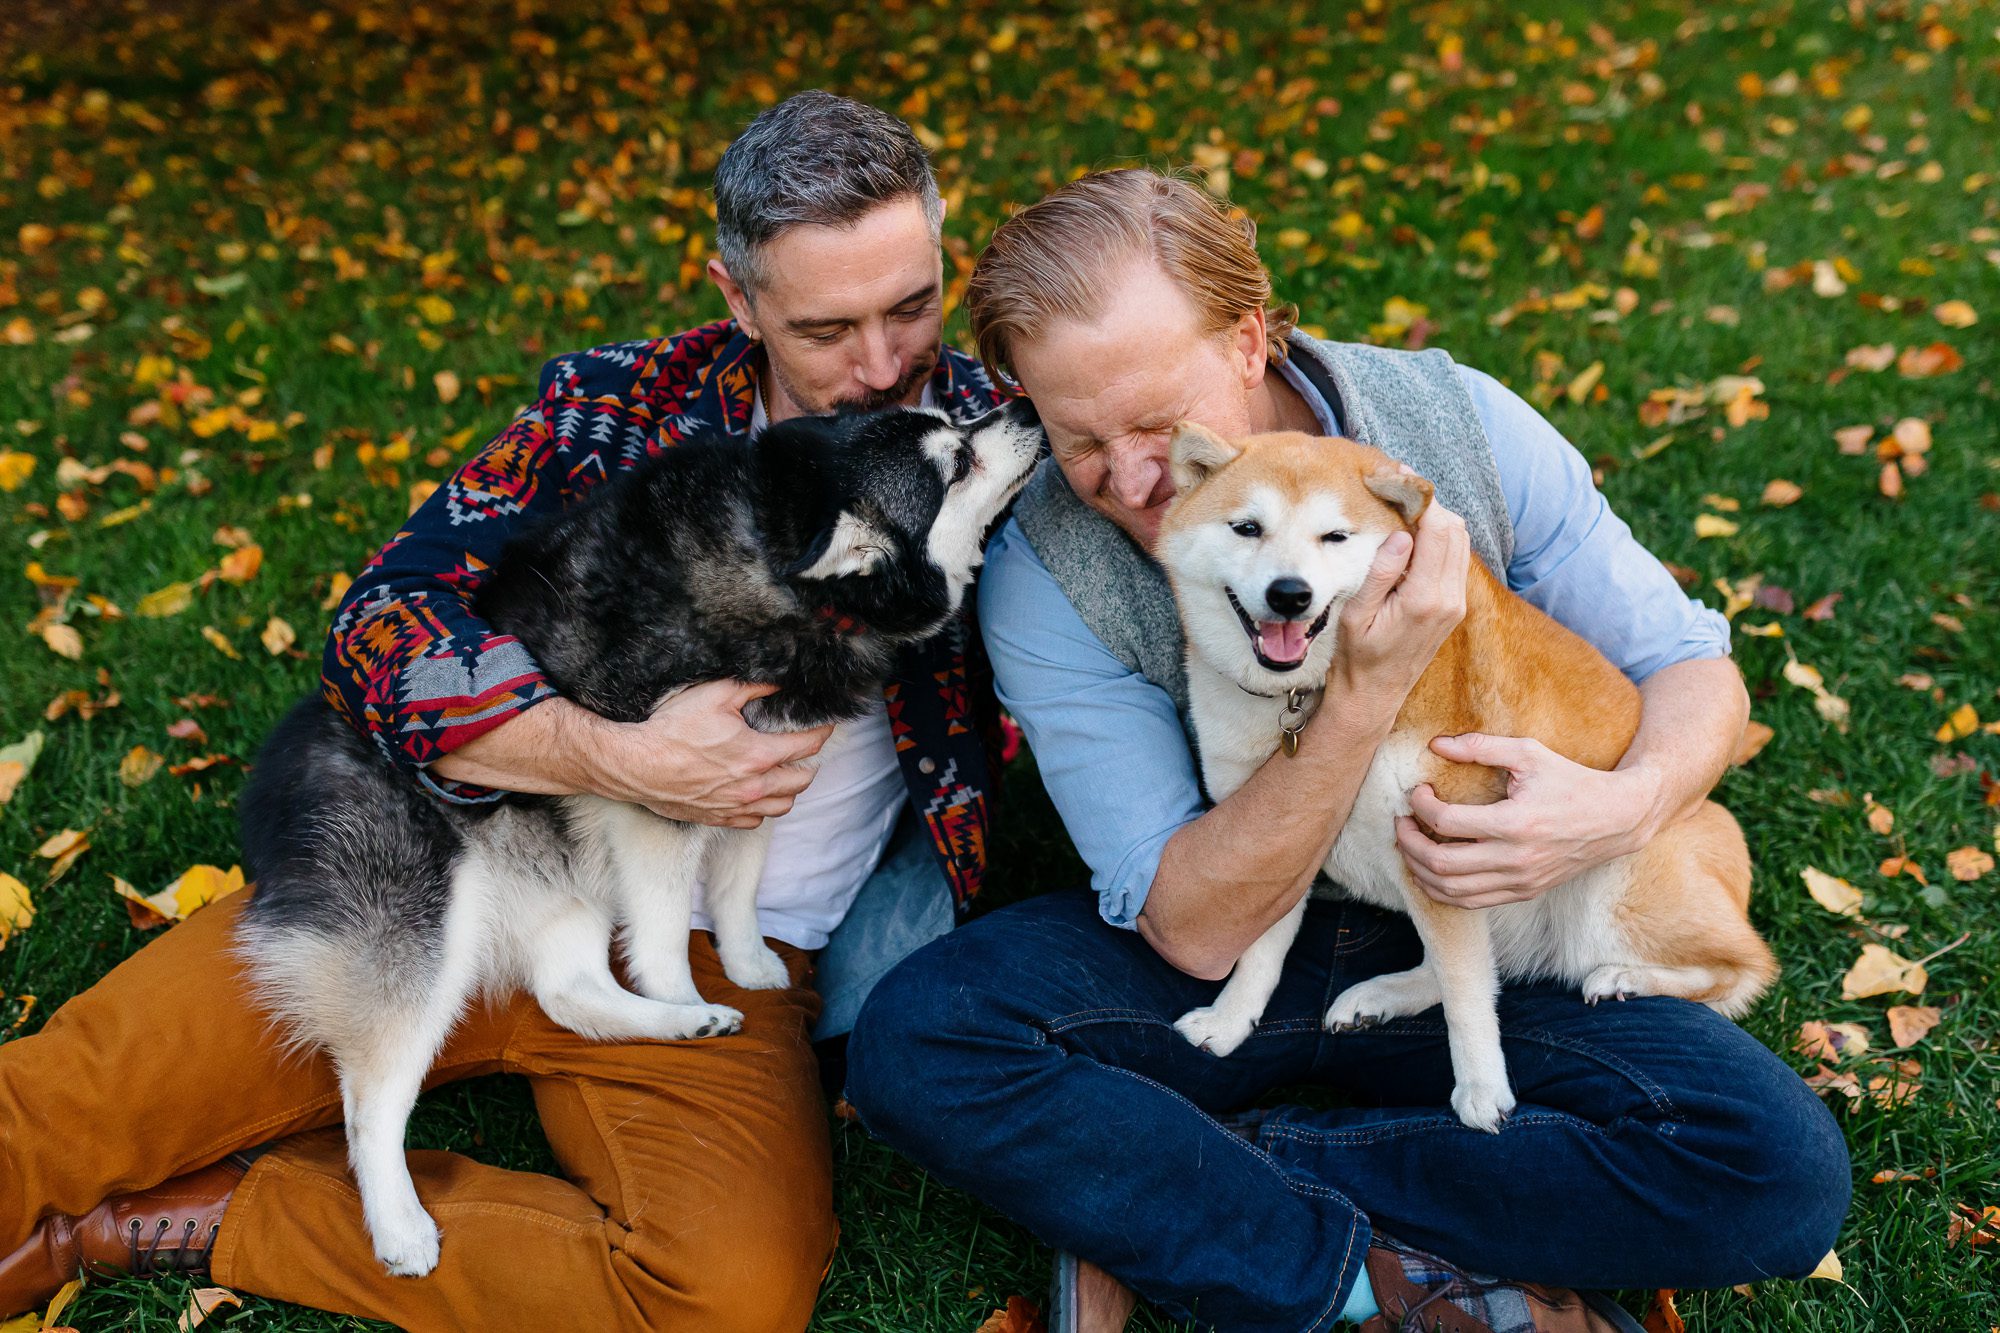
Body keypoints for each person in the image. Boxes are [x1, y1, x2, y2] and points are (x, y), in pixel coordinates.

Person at [0, 91, 1009, 1331]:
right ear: (736, 300)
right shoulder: (617, 406)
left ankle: (200, 1219)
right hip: (443, 855)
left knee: (727, 1295)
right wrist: (606, 752)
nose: (880, 363)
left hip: (713, 952)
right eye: (825, 326)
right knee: (49, 1112)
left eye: (911, 305)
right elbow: (381, 622)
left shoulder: (995, 443)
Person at [844, 170, 1851, 1333]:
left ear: (1248, 337)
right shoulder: (1043, 571)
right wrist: (1361, 695)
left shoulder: (1450, 419)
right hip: (1244, 921)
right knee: (922, 1040)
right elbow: (1189, 920)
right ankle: (1391, 1285)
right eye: (1078, 439)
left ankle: (1206, 1175)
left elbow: (1691, 671)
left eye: (1157, 428)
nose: (1127, 479)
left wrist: (1616, 811)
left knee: (1774, 1172)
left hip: (1496, 916)